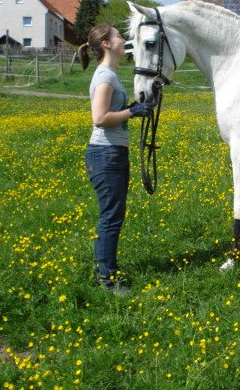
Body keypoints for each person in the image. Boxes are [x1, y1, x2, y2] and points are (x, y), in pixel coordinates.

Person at [79, 25, 152, 296]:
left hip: (111, 153)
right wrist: (131, 112)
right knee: (111, 217)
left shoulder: (110, 75)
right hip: (105, 154)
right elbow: (99, 118)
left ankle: (106, 268)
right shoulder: (106, 76)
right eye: (118, 36)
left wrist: (133, 107)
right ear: (107, 44)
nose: (123, 39)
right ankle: (106, 278)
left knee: (113, 215)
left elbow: (112, 111)